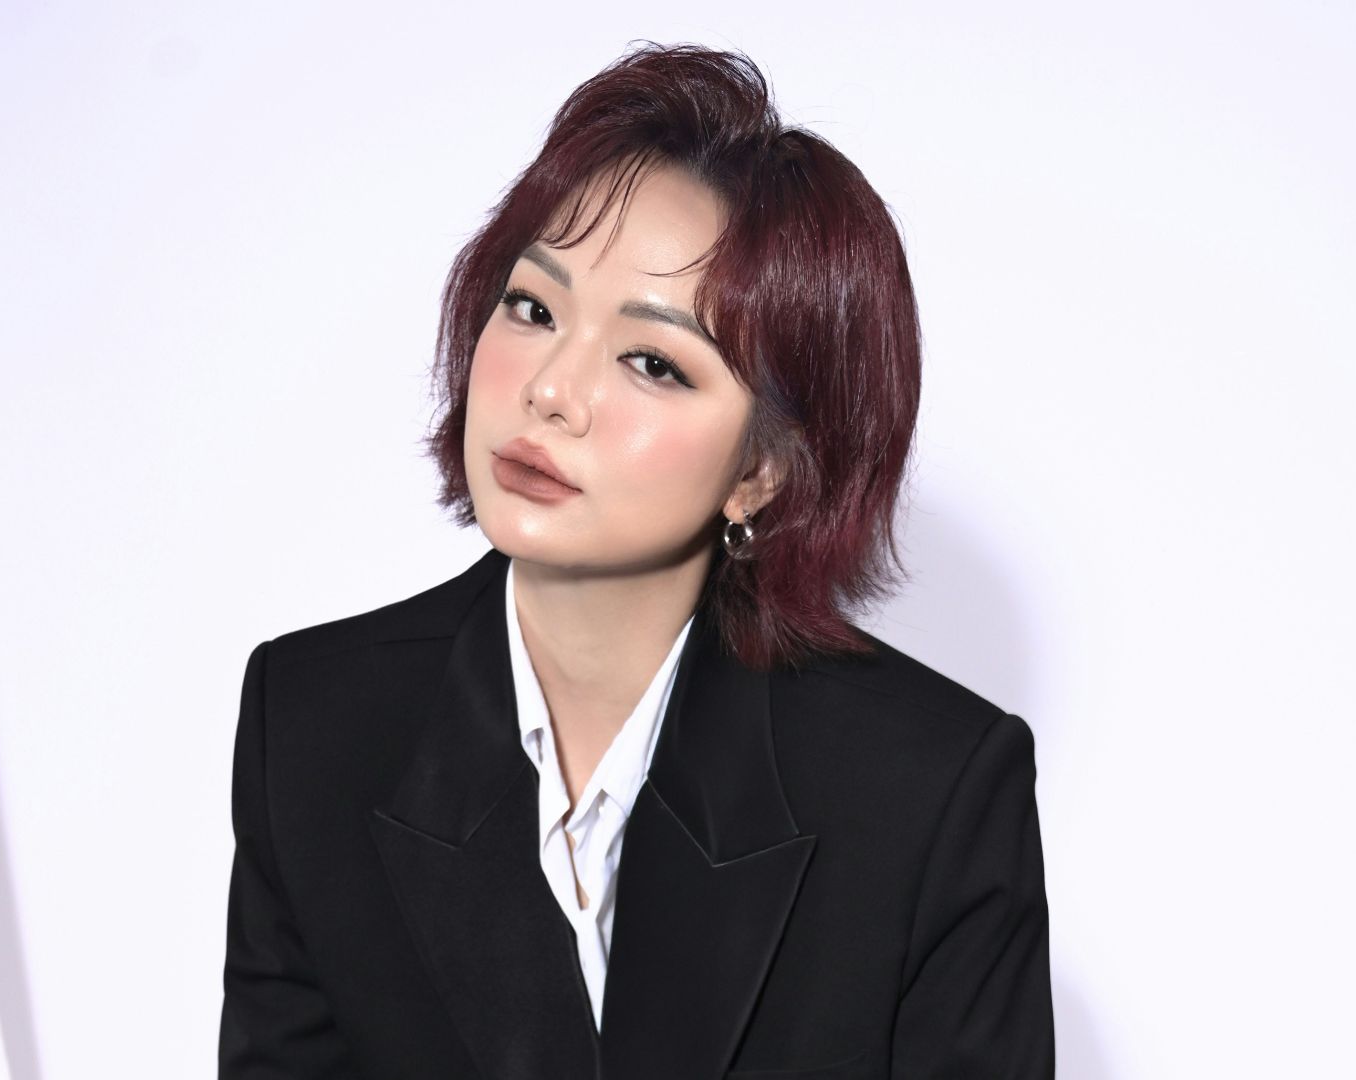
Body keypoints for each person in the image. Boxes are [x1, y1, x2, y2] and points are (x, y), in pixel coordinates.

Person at [218, 42, 1054, 1079]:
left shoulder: (929, 792)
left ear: (765, 472)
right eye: (531, 308)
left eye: (652, 362)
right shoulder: (311, 727)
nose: (553, 391)